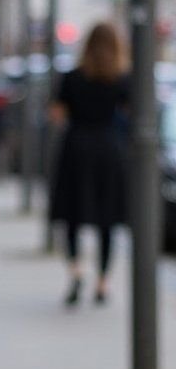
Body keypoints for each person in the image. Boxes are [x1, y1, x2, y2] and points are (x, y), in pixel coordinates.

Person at [48, 21, 131, 305]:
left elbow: (57, 115)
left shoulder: (72, 77)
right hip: (109, 150)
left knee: (71, 216)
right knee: (107, 220)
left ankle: (76, 271)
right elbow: (132, 115)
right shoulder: (122, 78)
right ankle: (103, 283)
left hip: (77, 148)